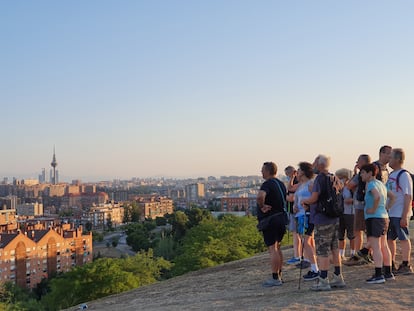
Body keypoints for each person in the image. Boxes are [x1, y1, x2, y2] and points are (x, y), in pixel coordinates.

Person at [301, 155, 345, 291]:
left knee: (322, 250)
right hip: (334, 218)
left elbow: (314, 198)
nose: (312, 164)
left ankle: (324, 280)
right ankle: (338, 276)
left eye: (314, 162)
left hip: (322, 219)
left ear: (320, 165)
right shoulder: (334, 177)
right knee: (334, 248)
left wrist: (305, 201)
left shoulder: (320, 178)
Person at [360, 163, 395, 283]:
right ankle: (388, 272)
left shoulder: (371, 184)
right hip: (384, 217)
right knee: (383, 245)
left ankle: (379, 274)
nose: (361, 175)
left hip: (374, 217)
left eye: (363, 172)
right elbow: (393, 196)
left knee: (376, 247)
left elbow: (377, 197)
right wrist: (386, 208)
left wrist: (374, 209)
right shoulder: (381, 184)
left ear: (370, 173)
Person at [257, 162, 288, 287]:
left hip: (271, 220)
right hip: (281, 218)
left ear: (268, 171)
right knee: (278, 247)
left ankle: (275, 278)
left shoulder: (267, 184)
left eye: (262, 170)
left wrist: (262, 206)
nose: (261, 172)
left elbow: (260, 196)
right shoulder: (281, 184)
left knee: (272, 248)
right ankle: (279, 274)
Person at [386, 148, 413, 275]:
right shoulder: (391, 175)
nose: (388, 160)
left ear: (397, 159)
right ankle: (391, 263)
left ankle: (406, 263)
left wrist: (404, 215)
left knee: (403, 238)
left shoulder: (404, 175)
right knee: (389, 239)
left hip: (399, 213)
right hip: (391, 213)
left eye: (391, 157)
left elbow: (408, 196)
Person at [293, 162, 319, 281]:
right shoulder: (301, 184)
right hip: (300, 214)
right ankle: (314, 266)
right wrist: (295, 206)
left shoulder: (310, 183)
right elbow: (296, 198)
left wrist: (307, 204)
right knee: (308, 241)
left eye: (299, 169)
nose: (297, 172)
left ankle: (315, 268)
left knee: (306, 241)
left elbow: (315, 198)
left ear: (303, 171)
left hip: (307, 215)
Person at [344, 154, 372, 266]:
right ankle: (369, 253)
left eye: (358, 162)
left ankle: (358, 254)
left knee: (358, 231)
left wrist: (354, 173)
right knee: (369, 232)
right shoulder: (373, 175)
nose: (357, 163)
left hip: (360, 206)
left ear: (364, 162)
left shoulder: (360, 175)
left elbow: (349, 186)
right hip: (368, 206)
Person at [335, 168, 356, 259]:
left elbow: (357, 199)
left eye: (340, 177)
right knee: (340, 234)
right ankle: (341, 254)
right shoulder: (337, 188)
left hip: (350, 213)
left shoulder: (351, 188)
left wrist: (350, 200)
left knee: (351, 234)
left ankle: (353, 253)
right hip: (340, 213)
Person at [284, 166, 301, 265]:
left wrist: (287, 197)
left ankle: (297, 255)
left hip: (295, 211)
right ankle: (298, 255)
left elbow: (290, 197)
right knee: (297, 234)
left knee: (296, 234)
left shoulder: (296, 182)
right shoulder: (297, 182)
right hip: (293, 211)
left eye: (287, 175)